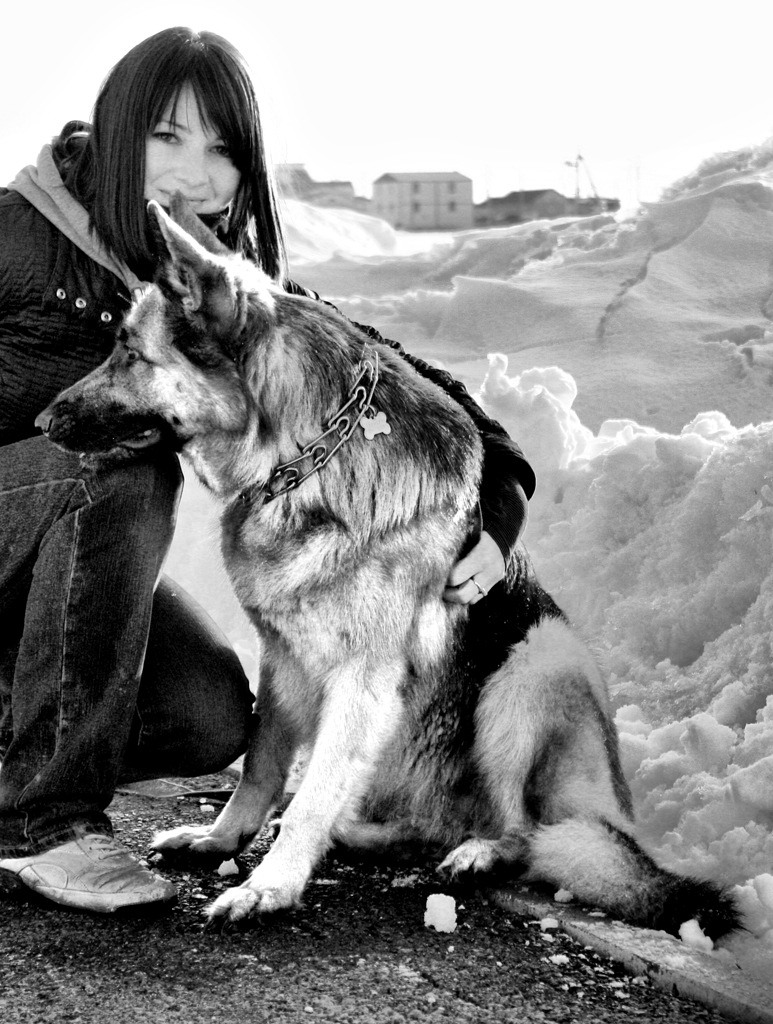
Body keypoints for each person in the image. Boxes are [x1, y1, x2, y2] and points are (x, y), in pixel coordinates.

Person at [0, 27, 536, 914]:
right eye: (166, 136)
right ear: (119, 130)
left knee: (205, 715)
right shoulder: (16, 233)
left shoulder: (229, 288)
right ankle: (41, 827)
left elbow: (397, 376)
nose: (196, 174)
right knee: (120, 475)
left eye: (224, 150)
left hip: (45, 585)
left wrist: (500, 498)